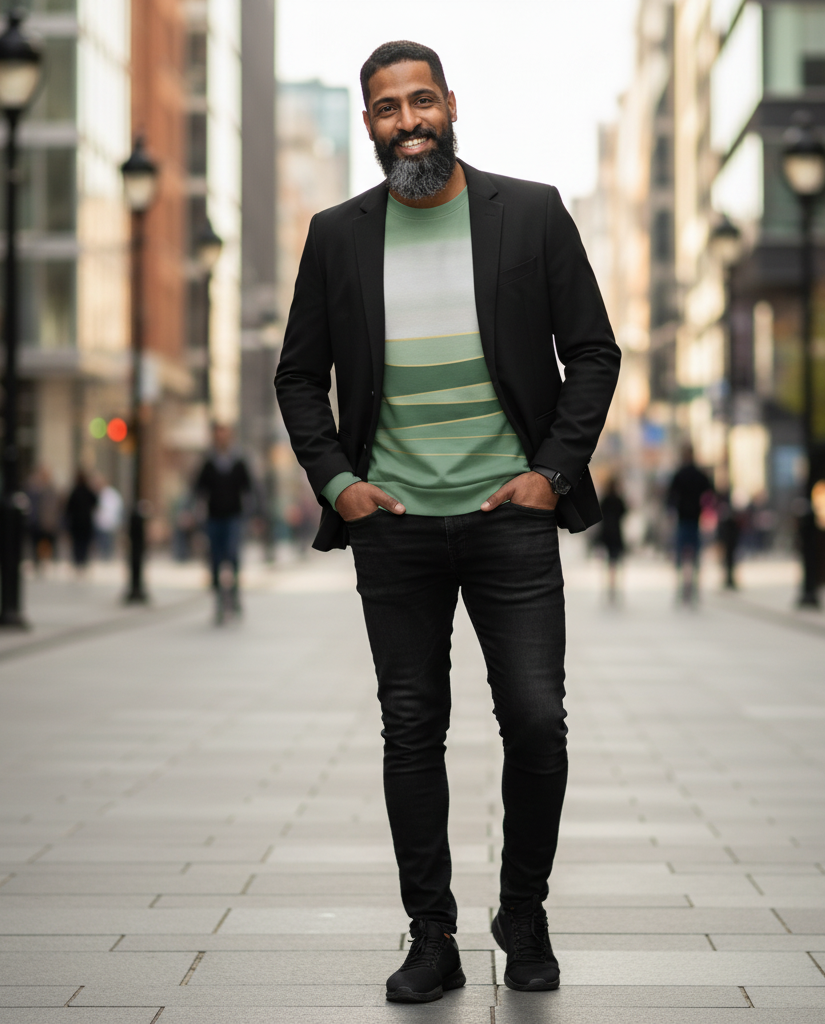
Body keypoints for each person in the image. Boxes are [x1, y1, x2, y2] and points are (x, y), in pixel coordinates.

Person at [274, 41, 620, 1002]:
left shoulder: (532, 213)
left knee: (535, 722)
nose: (409, 120)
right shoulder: (338, 235)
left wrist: (553, 470)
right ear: (371, 124)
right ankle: (434, 935)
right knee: (410, 728)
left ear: (452, 104)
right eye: (388, 108)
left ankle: (526, 911)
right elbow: (298, 374)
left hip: (509, 513)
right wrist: (338, 480)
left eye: (422, 100)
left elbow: (592, 351)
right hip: (394, 522)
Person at [193, 422, 252, 621]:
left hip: (234, 517)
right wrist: (192, 512)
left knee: (233, 555)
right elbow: (198, 490)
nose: (221, 437)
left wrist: (254, 515)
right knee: (216, 558)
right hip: (214, 518)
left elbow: (249, 489)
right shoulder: (208, 463)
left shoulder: (239, 461)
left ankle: (234, 596)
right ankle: (219, 600)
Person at [667, 444, 713, 605]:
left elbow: (670, 497)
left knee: (681, 556)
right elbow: (710, 493)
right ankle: (693, 587)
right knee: (695, 555)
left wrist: (672, 511)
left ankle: (683, 587)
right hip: (694, 519)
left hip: (685, 519)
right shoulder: (699, 474)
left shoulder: (679, 474)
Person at [597, 478, 628, 603]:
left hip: (606, 534)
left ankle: (610, 584)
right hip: (616, 533)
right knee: (616, 560)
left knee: (608, 561)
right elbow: (624, 512)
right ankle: (614, 584)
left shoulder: (605, 500)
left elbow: (599, 514)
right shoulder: (618, 500)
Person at [26, 466, 60, 570]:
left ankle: (48, 561)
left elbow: (55, 507)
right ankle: (38, 561)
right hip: (36, 521)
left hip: (48, 521)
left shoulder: (51, 489)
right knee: (36, 543)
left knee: (49, 542)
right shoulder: (34, 488)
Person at [64, 469, 97, 572]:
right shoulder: (87, 491)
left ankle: (78, 561)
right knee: (84, 543)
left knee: (77, 544)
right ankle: (82, 561)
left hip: (77, 523)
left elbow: (68, 508)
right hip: (85, 522)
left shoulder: (75, 491)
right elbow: (95, 502)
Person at [93, 475, 124, 560]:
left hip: (108, 522)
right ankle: (104, 557)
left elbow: (117, 509)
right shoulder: (99, 494)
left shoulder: (111, 494)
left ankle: (107, 557)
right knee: (101, 542)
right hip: (101, 523)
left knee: (107, 542)